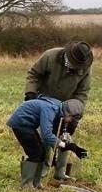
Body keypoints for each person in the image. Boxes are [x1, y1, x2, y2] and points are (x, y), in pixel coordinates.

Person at [25, 42, 93, 182]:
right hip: (45, 100)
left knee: (65, 136)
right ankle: (43, 167)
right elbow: (33, 74)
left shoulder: (85, 66)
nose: (77, 67)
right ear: (68, 56)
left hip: (67, 106)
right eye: (74, 63)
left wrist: (74, 115)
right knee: (45, 135)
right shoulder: (50, 56)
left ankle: (60, 171)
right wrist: (30, 93)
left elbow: (82, 93)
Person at [7, 97, 87, 189]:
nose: (70, 121)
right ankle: (26, 185)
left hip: (29, 125)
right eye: (71, 118)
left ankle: (36, 184)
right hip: (21, 124)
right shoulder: (50, 109)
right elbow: (47, 135)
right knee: (35, 154)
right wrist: (67, 146)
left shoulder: (58, 108)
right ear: (67, 113)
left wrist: (65, 143)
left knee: (42, 153)